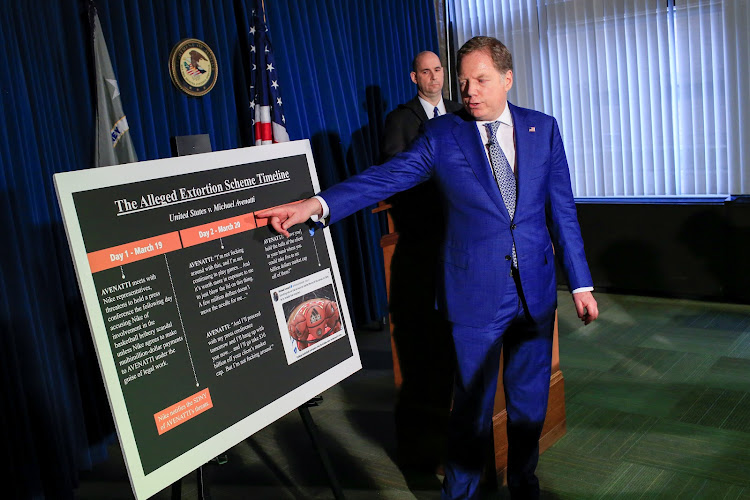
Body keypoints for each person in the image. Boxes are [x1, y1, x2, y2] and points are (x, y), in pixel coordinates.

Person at [257, 36, 599, 500]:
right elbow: (385, 177)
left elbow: (562, 210)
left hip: (535, 290)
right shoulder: (443, 136)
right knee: (471, 411)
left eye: (480, 80)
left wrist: (580, 282)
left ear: (507, 78)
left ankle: (524, 484)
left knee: (528, 405)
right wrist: (316, 204)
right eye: (463, 81)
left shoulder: (543, 129)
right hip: (475, 293)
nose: (470, 91)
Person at [380, 50, 463, 474]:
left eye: (438, 71)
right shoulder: (401, 119)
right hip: (421, 237)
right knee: (424, 349)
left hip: (461, 232)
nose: (433, 78)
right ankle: (425, 447)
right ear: (415, 77)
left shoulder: (461, 112)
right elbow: (397, 174)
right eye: (425, 72)